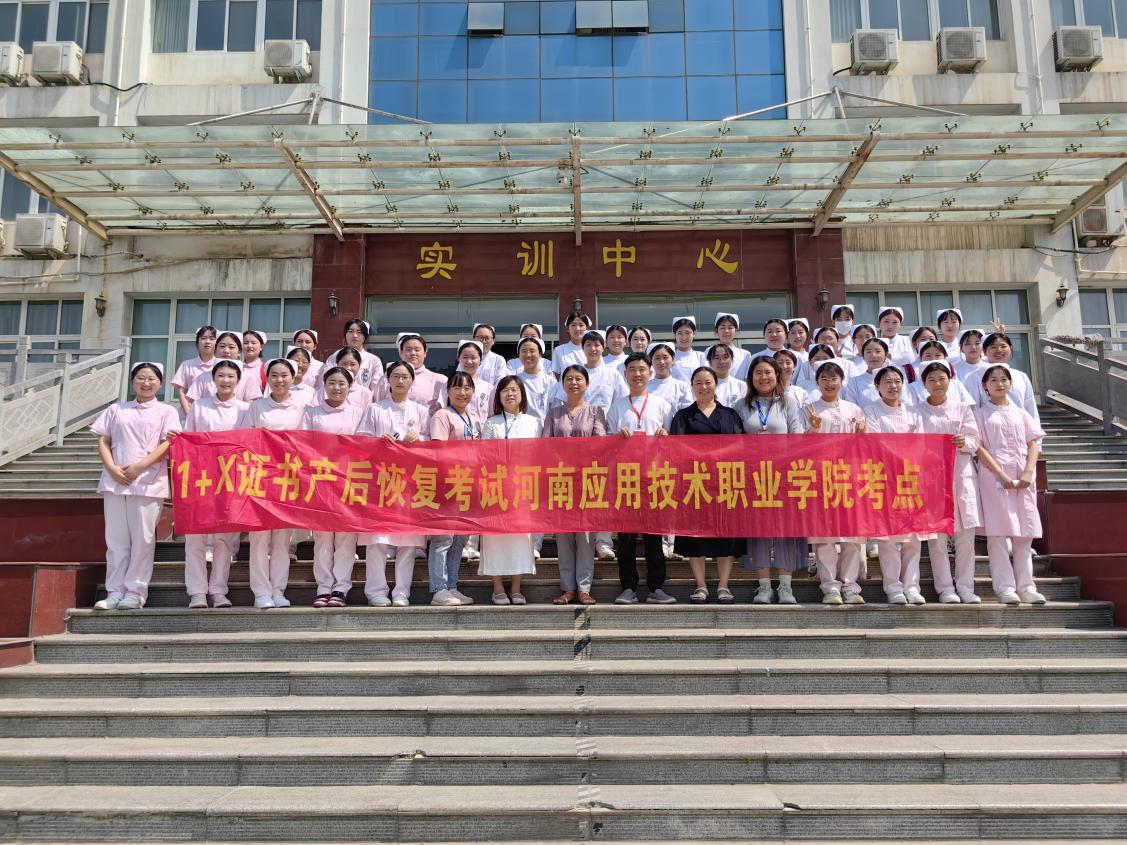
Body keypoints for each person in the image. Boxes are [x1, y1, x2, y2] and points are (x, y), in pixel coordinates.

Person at [91, 362, 181, 611]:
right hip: (115, 481)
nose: (146, 383)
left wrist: (140, 467)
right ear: (133, 381)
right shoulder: (116, 409)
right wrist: (112, 468)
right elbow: (104, 440)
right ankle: (114, 591)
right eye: (141, 378)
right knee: (115, 540)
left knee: (142, 540)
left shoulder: (167, 411)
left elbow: (168, 443)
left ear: (160, 383)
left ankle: (135, 592)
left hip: (147, 482)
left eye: (152, 379)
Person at [175, 360, 247, 609]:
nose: (226, 380)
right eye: (221, 376)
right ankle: (196, 592)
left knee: (224, 540)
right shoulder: (199, 407)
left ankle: (218, 591)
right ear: (213, 379)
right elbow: (188, 440)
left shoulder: (245, 409)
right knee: (195, 538)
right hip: (200, 479)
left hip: (230, 480)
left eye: (231, 376)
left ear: (238, 380)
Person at [359, 360, 432, 607]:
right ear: (388, 380)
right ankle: (376, 592)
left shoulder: (421, 411)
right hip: (380, 482)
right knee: (377, 541)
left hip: (411, 482)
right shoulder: (374, 409)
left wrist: (419, 439)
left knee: (408, 542)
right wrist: (377, 442)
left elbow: (432, 443)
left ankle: (401, 592)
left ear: (412, 381)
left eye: (405, 377)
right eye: (396, 376)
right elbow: (360, 440)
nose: (400, 381)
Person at [736, 356, 807, 604]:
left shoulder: (788, 403)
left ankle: (786, 586)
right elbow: (734, 442)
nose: (763, 377)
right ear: (750, 378)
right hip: (753, 478)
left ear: (777, 375)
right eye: (758, 373)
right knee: (759, 531)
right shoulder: (741, 405)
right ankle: (764, 586)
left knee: (786, 530)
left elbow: (798, 437)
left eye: (768, 372)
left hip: (783, 476)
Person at [670, 366, 744, 604]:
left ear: (716, 385)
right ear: (692, 387)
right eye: (698, 383)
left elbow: (740, 445)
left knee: (726, 535)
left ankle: (723, 585)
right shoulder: (683, 416)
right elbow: (676, 447)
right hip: (695, 483)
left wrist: (716, 456)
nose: (703, 387)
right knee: (695, 537)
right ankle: (700, 585)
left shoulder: (730, 414)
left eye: (708, 382)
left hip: (724, 481)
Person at [974, 364, 1047, 605]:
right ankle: (1005, 588)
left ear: (1011, 383)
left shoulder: (1020, 413)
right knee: (998, 535)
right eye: (993, 380)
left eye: (1004, 379)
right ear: (985, 385)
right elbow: (979, 447)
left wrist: (1029, 471)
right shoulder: (980, 414)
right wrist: (999, 473)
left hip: (1023, 479)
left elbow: (1033, 443)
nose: (999, 383)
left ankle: (1027, 586)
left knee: (1024, 535)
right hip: (993, 479)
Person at [607, 352, 676, 605]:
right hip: (626, 478)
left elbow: (672, 442)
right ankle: (628, 587)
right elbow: (606, 444)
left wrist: (664, 435)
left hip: (653, 478)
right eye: (632, 369)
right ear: (625, 374)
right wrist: (617, 438)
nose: (637, 374)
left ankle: (656, 587)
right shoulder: (617, 406)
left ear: (650, 373)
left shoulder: (662, 405)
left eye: (642, 369)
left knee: (653, 537)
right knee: (626, 538)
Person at [238, 358, 307, 609]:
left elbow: (306, 442)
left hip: (288, 479)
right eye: (274, 375)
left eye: (284, 375)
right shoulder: (257, 407)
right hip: (260, 479)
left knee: (282, 540)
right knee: (258, 540)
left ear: (293, 378)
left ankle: (278, 590)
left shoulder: (302, 408)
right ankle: (261, 592)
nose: (279, 380)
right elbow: (246, 439)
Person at [916, 360, 982, 603]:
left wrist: (964, 442)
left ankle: (966, 587)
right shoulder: (916, 411)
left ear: (950, 381)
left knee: (965, 538)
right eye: (931, 379)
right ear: (924, 383)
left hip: (961, 475)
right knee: (937, 539)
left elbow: (975, 441)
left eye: (942, 379)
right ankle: (945, 588)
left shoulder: (962, 409)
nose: (937, 384)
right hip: (932, 479)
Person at [864, 366, 929, 605]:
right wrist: (902, 453)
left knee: (913, 538)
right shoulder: (870, 411)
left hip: (910, 479)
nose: (893, 386)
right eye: (887, 382)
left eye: (897, 381)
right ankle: (893, 587)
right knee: (888, 538)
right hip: (884, 479)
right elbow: (875, 442)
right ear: (877, 386)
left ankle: (912, 587)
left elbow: (921, 443)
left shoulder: (914, 412)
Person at [301, 366, 364, 608]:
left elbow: (364, 446)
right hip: (320, 482)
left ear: (350, 387)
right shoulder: (311, 413)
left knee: (346, 538)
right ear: (324, 385)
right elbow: (302, 444)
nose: (337, 388)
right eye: (332, 383)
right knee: (323, 540)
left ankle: (341, 588)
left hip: (349, 482)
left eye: (342, 383)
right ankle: (323, 587)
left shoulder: (358, 413)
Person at [805, 360, 867, 605]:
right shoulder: (810, 409)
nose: (829, 383)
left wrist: (862, 435)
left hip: (849, 478)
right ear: (817, 382)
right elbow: (800, 446)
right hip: (820, 478)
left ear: (841, 381)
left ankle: (851, 586)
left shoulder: (854, 409)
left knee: (852, 537)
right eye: (824, 379)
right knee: (824, 537)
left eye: (834, 379)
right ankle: (830, 587)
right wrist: (813, 430)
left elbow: (866, 446)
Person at [543, 364, 607, 604]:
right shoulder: (553, 413)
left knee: (586, 537)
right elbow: (545, 446)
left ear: (587, 383)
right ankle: (568, 588)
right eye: (568, 379)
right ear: (562, 384)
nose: (573, 383)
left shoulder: (595, 412)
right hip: (560, 481)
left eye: (578, 378)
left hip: (587, 481)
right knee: (564, 537)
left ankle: (584, 588)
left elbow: (600, 445)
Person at [480, 376, 541, 605]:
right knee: (495, 539)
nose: (510, 394)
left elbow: (540, 455)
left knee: (521, 539)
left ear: (522, 394)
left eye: (514, 390)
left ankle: (516, 588)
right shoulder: (491, 423)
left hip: (523, 488)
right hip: (496, 488)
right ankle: (497, 588)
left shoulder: (534, 422)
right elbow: (483, 456)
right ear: (499, 396)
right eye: (505, 390)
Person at [427, 371, 479, 606]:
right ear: (448, 391)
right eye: (457, 388)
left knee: (460, 538)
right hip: (448, 485)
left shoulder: (473, 418)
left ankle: (452, 586)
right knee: (443, 538)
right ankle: (438, 589)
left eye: (467, 388)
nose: (462, 392)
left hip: (468, 485)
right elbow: (438, 452)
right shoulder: (442, 415)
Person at [973, 332, 1039, 421]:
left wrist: (1035, 427)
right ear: (984, 351)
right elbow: (974, 408)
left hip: (1020, 425)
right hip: (989, 425)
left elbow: (1030, 406)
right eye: (993, 347)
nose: (999, 350)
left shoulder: (1021, 376)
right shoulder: (976, 376)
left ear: (1010, 349)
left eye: (1003, 346)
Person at [375, 332, 446, 413]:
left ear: (425, 353)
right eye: (408, 350)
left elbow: (442, 413)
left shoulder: (439, 380)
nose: (413, 353)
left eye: (417, 350)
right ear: (401, 352)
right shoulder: (387, 378)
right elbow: (377, 405)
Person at [187, 331, 262, 404]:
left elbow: (250, 406)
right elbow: (193, 404)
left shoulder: (249, 379)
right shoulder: (202, 378)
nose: (226, 351)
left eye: (231, 347)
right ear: (215, 350)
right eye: (222, 346)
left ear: (239, 352)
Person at [907, 341, 974, 406]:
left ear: (945, 357)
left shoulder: (956, 384)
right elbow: (910, 409)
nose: (933, 359)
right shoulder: (913, 387)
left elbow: (969, 406)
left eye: (937, 355)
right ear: (921, 358)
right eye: (928, 356)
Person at [171, 325, 217, 414]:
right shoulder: (187, 365)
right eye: (203, 338)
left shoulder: (221, 366)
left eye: (212, 339)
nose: (207, 342)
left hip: (214, 413)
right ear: (197, 341)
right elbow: (182, 391)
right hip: (190, 412)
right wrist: (189, 414)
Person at [328, 318, 384, 389]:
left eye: (359, 332)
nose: (355, 335)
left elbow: (377, 388)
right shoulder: (335, 356)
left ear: (365, 336)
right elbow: (327, 381)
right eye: (350, 331)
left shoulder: (374, 360)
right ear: (345, 334)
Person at [514, 336, 555, 422]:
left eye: (532, 351)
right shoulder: (514, 381)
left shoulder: (550, 382)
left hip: (544, 427)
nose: (528, 355)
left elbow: (555, 409)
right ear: (519, 354)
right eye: (524, 351)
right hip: (519, 426)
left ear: (540, 354)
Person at [843, 337, 891, 407]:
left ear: (886, 354)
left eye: (878, 351)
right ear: (863, 355)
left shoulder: (895, 379)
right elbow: (851, 407)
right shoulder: (854, 382)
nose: (873, 355)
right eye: (868, 352)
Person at [647, 342, 693, 410]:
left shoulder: (682, 386)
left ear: (673, 359)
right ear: (651, 361)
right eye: (657, 358)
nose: (662, 362)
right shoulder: (645, 387)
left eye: (665, 357)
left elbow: (688, 412)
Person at [707, 342, 747, 408]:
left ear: (732, 360)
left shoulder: (742, 386)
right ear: (710, 362)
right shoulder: (705, 386)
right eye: (716, 358)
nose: (721, 361)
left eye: (725, 357)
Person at [551, 310, 591, 375]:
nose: (577, 329)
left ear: (587, 328)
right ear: (567, 328)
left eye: (581, 325)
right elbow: (555, 375)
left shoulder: (592, 350)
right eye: (573, 325)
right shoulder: (559, 350)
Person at [714, 312, 751, 379]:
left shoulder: (745, 355)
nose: (726, 331)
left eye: (730, 327)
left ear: (736, 330)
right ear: (717, 330)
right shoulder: (708, 352)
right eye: (722, 328)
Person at [670, 316, 705, 382]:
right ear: (674, 334)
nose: (684, 337)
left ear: (694, 333)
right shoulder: (670, 357)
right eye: (680, 333)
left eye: (687, 333)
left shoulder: (701, 356)